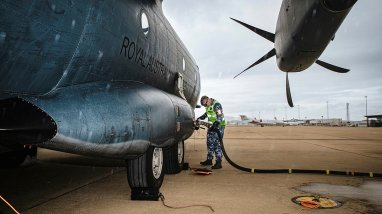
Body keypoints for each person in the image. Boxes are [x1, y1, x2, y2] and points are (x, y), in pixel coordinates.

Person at [197, 95, 226, 169]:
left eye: (205, 104)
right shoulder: (208, 106)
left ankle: (218, 162)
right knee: (209, 142)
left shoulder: (217, 105)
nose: (205, 106)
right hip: (211, 126)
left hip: (219, 126)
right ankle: (209, 160)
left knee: (217, 144)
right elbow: (207, 114)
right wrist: (201, 117)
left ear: (208, 100)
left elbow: (220, 115)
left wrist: (216, 123)